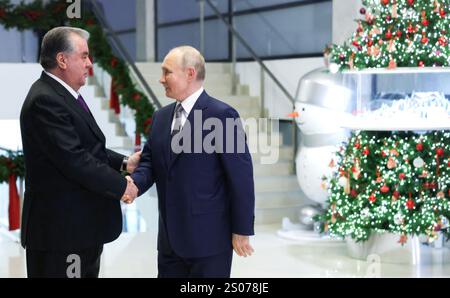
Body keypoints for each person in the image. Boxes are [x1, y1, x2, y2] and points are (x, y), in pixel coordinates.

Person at [20, 26, 140, 278]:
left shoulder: (63, 95)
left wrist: (125, 163)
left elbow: (85, 148)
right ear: (62, 60)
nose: (89, 63)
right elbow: (74, 159)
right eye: (83, 56)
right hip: (60, 236)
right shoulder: (46, 100)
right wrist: (122, 186)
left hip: (79, 230)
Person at [130, 46, 255, 278]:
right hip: (169, 243)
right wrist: (134, 184)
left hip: (209, 242)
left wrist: (241, 229)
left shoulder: (222, 115)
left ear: (189, 73)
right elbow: (149, 161)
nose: (160, 79)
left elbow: (241, 178)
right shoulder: (160, 117)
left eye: (167, 72)